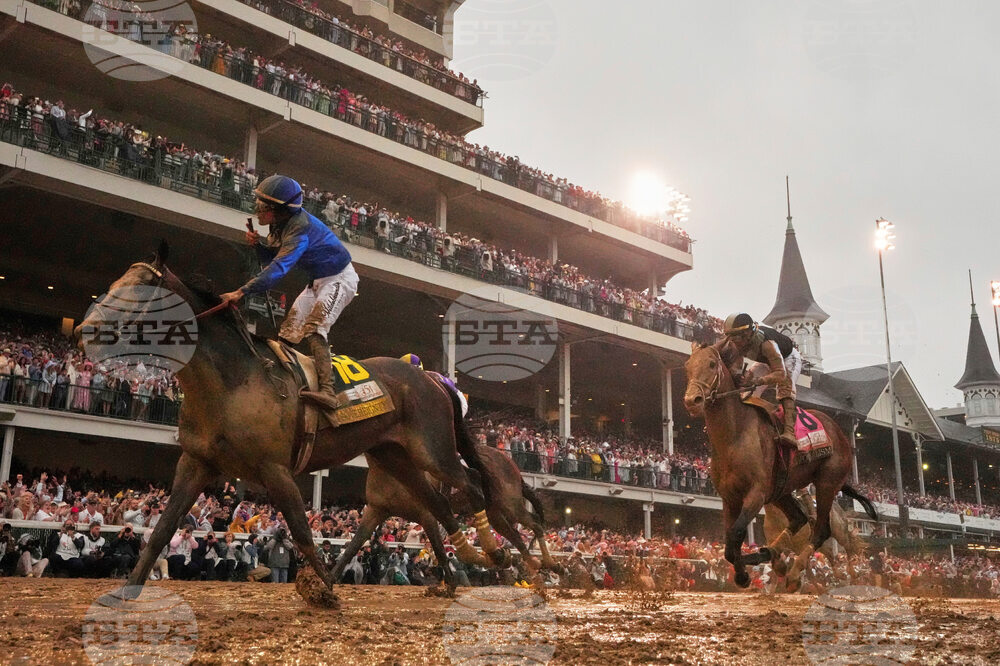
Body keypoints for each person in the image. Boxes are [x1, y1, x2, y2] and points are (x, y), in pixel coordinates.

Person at [219, 174, 357, 418]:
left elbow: (277, 270)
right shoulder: (280, 225)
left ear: (279, 210)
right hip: (317, 281)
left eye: (263, 207)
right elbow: (271, 260)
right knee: (287, 333)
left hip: (340, 278)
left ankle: (328, 392)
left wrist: (241, 291)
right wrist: (258, 246)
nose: (257, 211)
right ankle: (284, 383)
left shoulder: (299, 230)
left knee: (314, 329)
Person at [722, 313, 802, 448]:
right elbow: (736, 364)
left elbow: (780, 374)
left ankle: (789, 432)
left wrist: (758, 381)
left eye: (736, 336)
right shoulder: (737, 342)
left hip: (787, 359)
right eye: (731, 336)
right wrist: (739, 376)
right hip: (765, 362)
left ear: (748, 333)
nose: (733, 341)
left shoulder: (768, 344)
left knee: (784, 386)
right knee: (746, 393)